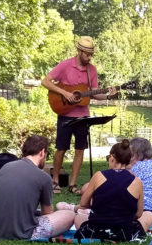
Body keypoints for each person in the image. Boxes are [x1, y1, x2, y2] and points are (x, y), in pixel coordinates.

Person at [41, 36, 116, 195]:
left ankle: (72, 184)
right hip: (65, 114)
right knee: (61, 148)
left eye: (91, 55)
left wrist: (109, 96)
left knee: (80, 149)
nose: (89, 58)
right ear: (79, 51)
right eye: (86, 54)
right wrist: (65, 93)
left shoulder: (92, 70)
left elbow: (95, 93)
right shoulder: (65, 65)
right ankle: (55, 182)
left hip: (83, 116)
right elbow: (45, 81)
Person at [0, 135, 76, 241]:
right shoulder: (43, 177)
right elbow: (47, 213)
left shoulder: (6, 167)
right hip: (23, 234)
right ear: (42, 152)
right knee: (69, 215)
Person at [69, 139, 152, 241]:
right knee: (149, 214)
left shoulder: (98, 176)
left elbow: (83, 203)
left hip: (96, 230)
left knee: (79, 217)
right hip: (125, 233)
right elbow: (138, 214)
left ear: (112, 157)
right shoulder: (137, 182)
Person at [129, 136, 152, 218]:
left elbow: (124, 182)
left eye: (130, 155)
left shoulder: (138, 167)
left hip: (146, 209)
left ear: (138, 155)